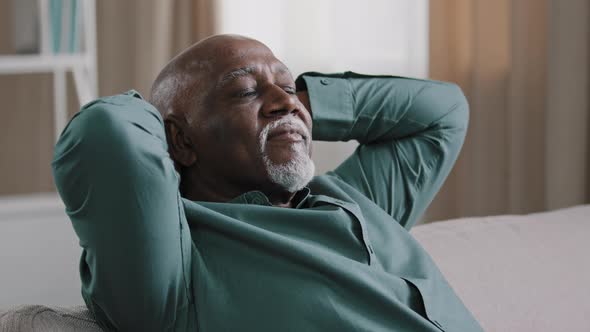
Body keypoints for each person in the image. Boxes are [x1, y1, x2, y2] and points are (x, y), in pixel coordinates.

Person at [52, 34, 483, 331]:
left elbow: (442, 112)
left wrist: (291, 106)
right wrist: (165, 124)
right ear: (180, 140)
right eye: (242, 91)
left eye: (288, 86)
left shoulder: (353, 197)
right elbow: (106, 133)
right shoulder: (176, 269)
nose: (285, 101)